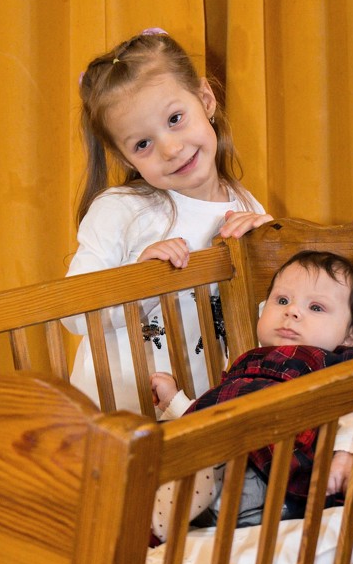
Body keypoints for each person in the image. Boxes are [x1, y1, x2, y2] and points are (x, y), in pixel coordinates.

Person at [66, 29, 272, 410]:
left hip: (194, 409)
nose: (171, 149)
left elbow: (273, 314)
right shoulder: (121, 210)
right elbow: (73, 313)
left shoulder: (246, 205)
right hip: (114, 414)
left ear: (206, 99)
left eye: (175, 118)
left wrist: (270, 248)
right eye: (142, 144)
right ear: (126, 158)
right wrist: (139, 281)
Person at [150, 250, 353, 540]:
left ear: (351, 335)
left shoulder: (338, 363)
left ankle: (150, 524)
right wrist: (174, 402)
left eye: (316, 307)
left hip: (268, 470)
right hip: (216, 449)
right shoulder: (247, 359)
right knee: (151, 444)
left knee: (209, 462)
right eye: (282, 300)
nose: (292, 311)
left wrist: (344, 453)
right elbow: (212, 410)